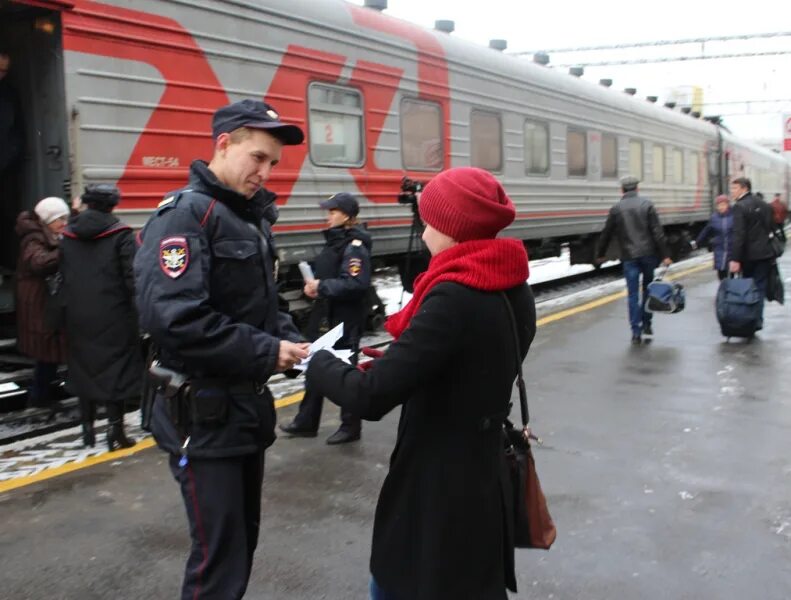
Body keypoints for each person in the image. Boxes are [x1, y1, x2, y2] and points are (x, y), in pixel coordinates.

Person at [306, 167, 536, 600]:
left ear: (451, 228)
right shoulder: (512, 285)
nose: (424, 229)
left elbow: (369, 398)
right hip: (482, 477)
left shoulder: (453, 296)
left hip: (437, 490)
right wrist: (405, 360)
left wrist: (317, 361)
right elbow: (465, 363)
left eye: (429, 220)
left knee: (399, 584)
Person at [134, 99, 310, 600]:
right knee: (217, 562)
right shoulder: (185, 216)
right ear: (223, 145)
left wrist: (290, 337)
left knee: (238, 546)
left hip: (238, 413)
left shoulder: (246, 219)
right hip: (202, 418)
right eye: (258, 157)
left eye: (273, 163)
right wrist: (266, 351)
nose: (266, 171)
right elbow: (175, 319)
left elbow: (256, 308)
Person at [279, 192, 371, 444]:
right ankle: (306, 421)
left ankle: (351, 426)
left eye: (333, 211)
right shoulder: (335, 243)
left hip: (344, 321)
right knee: (314, 364)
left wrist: (321, 286)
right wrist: (314, 287)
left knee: (346, 372)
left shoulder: (355, 247)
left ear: (348, 216)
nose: (328, 216)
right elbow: (331, 278)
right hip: (326, 317)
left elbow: (356, 284)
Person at [60, 184, 141, 449]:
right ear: (113, 204)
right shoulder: (121, 234)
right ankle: (115, 431)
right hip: (114, 314)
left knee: (85, 369)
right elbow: (132, 278)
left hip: (78, 314)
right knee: (115, 371)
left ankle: (87, 431)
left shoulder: (69, 233)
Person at [595, 176, 672, 344]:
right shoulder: (647, 205)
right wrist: (665, 254)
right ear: (637, 189)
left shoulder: (616, 208)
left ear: (622, 190)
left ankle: (635, 331)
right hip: (648, 255)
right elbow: (657, 232)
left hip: (629, 257)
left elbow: (606, 233)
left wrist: (600, 254)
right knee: (648, 289)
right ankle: (647, 323)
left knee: (632, 294)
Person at [15, 197, 69, 409]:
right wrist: (66, 249)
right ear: (47, 220)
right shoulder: (33, 238)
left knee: (51, 352)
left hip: (46, 303)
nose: (64, 222)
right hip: (40, 304)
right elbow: (39, 262)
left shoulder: (44, 234)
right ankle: (38, 397)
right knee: (48, 352)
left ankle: (42, 395)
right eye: (59, 219)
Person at [729, 177, 775, 326]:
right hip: (765, 253)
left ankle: (749, 319)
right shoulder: (764, 205)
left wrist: (735, 259)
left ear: (744, 188)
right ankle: (758, 319)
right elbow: (770, 228)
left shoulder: (739, 207)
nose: (732, 192)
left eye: (735, 189)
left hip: (749, 256)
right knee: (760, 287)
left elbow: (739, 235)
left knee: (748, 288)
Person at [1, 49, 24, 270]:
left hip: (5, 167)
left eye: (5, 71)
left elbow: (15, 132)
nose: (1, 74)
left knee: (7, 216)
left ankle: (8, 264)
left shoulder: (8, 94)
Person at [691, 194, 733, 280]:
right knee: (721, 272)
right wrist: (697, 242)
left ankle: (731, 290)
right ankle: (723, 289)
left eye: (723, 205)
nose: (721, 207)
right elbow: (706, 231)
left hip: (731, 248)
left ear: (727, 205)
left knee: (732, 271)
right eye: (719, 205)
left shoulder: (734, 216)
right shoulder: (714, 218)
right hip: (719, 248)